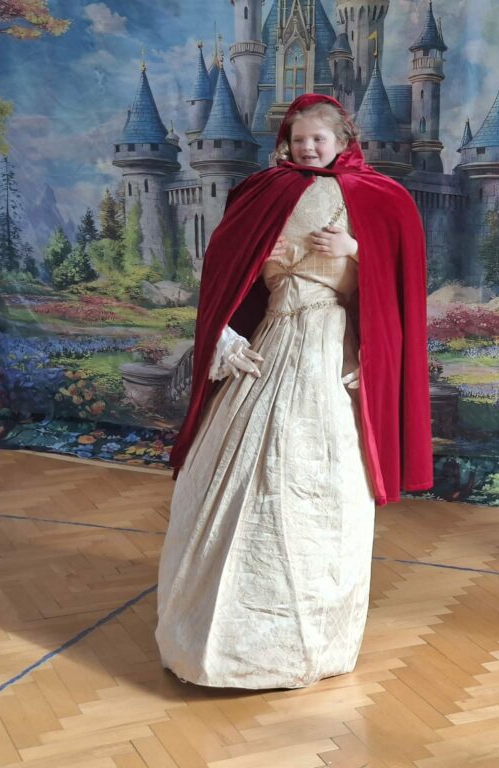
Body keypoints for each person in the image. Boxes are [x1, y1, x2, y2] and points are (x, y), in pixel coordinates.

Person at [155, 94, 433, 689]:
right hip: (276, 336)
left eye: (318, 139)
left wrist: (355, 251)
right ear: (285, 141)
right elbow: (228, 276)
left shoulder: (381, 198)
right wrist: (250, 286)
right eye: (298, 139)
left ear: (342, 141)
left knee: (319, 483)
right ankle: (223, 637)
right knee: (236, 475)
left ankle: (309, 636)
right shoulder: (262, 193)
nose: (308, 148)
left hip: (330, 348)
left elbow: (397, 286)